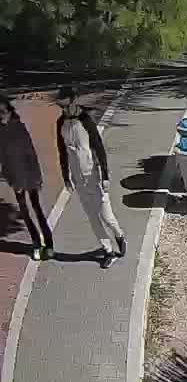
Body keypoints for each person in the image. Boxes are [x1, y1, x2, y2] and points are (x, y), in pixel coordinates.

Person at [56, 89, 125, 267]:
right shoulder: (61, 123)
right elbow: (62, 151)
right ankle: (108, 250)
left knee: (107, 216)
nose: (64, 109)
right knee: (92, 217)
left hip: (93, 175)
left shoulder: (86, 120)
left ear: (74, 101)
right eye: (61, 107)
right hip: (78, 177)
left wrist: (105, 175)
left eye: (66, 105)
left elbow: (99, 148)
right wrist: (66, 176)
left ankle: (119, 234)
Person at [0, 96, 53, 261]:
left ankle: (49, 244)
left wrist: (37, 177)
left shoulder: (19, 127)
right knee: (24, 212)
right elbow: (3, 159)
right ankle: (36, 244)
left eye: (3, 111)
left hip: (29, 175)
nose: (1, 115)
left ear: (10, 111)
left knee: (37, 209)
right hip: (15, 178)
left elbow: (30, 153)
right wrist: (10, 178)